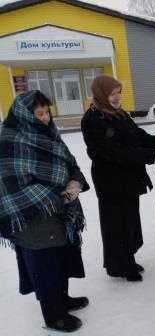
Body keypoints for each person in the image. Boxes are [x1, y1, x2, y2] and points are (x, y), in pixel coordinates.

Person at [0, 91, 89, 332]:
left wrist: (75, 182)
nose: (45, 118)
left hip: (59, 209)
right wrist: (59, 197)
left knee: (61, 256)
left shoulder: (48, 134)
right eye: (38, 113)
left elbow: (69, 163)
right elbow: (14, 181)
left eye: (47, 112)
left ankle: (63, 299)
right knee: (44, 263)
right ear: (24, 114)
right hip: (31, 214)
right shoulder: (11, 139)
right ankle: (53, 316)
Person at [81, 75, 155, 282]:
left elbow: (136, 134)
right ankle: (122, 265)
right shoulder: (92, 119)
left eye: (119, 92)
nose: (117, 97)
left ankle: (127, 257)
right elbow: (112, 152)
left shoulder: (119, 114)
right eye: (112, 93)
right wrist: (148, 155)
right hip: (110, 181)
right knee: (115, 224)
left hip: (128, 176)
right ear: (101, 94)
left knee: (130, 221)